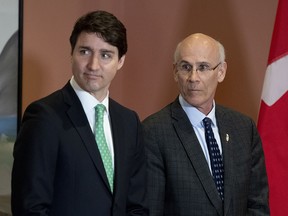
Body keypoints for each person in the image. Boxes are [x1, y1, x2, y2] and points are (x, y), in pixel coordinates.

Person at [12, 10, 148, 216]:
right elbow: (30, 208)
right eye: (84, 51)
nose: (93, 65)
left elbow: (137, 205)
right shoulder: (44, 116)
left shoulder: (129, 122)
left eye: (105, 55)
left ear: (120, 61)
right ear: (72, 53)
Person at [142, 33, 269, 215]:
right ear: (175, 72)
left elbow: (258, 206)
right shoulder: (153, 132)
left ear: (221, 72)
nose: (193, 77)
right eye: (186, 67)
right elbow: (151, 211)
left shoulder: (244, 128)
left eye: (203, 67)